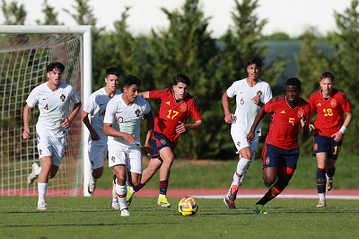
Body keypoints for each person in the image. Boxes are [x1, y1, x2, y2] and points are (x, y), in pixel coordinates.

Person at [127, 74, 203, 208]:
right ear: (174, 87)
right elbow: (142, 95)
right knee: (169, 158)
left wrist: (188, 126)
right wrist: (140, 109)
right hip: (158, 133)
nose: (182, 91)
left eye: (185, 89)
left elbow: (200, 124)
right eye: (180, 88)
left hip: (171, 139)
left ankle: (130, 191)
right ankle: (162, 196)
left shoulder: (190, 102)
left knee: (151, 169)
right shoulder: (165, 93)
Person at [23, 62, 82, 210]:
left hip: (60, 134)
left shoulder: (68, 89)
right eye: (54, 73)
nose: (57, 76)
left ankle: (36, 171)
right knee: (47, 165)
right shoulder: (39, 90)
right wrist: (25, 128)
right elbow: (27, 108)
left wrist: (70, 119)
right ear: (48, 74)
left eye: (59, 73)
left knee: (51, 173)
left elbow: (78, 104)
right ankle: (41, 202)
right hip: (43, 131)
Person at [247, 77, 311, 214]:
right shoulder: (276, 102)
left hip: (292, 149)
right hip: (273, 145)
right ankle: (266, 171)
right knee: (270, 179)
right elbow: (263, 110)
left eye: (293, 92)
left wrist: (304, 126)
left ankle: (260, 204)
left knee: (283, 181)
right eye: (288, 91)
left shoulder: (305, 107)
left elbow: (304, 133)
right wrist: (252, 130)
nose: (290, 94)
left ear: (299, 91)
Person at [222, 56, 272, 209]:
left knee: (245, 163)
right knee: (247, 156)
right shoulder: (238, 85)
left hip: (255, 131)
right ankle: (234, 186)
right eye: (251, 68)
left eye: (256, 68)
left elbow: (270, 110)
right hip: (238, 127)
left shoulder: (265, 87)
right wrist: (227, 113)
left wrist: (261, 103)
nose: (253, 71)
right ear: (247, 69)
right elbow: (225, 96)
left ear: (260, 70)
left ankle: (230, 196)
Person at [103, 75, 154, 217]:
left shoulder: (142, 104)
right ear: (125, 90)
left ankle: (117, 182)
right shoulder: (114, 103)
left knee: (135, 182)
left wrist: (147, 141)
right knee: (121, 175)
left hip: (134, 146)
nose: (136, 94)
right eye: (133, 91)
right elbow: (106, 129)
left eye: (138, 91)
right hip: (116, 144)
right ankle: (123, 207)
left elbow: (151, 119)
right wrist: (123, 135)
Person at [308, 72, 353, 208]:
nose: (327, 87)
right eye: (324, 84)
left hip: (335, 135)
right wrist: (309, 122)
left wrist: (341, 131)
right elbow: (308, 112)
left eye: (329, 84)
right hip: (320, 133)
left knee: (330, 166)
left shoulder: (340, 96)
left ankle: (330, 176)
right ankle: (322, 199)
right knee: (321, 163)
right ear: (320, 84)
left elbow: (349, 115)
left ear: (333, 84)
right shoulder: (314, 97)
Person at [81, 67, 122, 209]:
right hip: (97, 139)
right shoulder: (96, 96)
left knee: (119, 169)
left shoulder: (121, 97)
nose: (114, 83)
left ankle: (115, 201)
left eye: (116, 80)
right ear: (106, 80)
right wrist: (92, 131)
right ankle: (93, 178)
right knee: (98, 172)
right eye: (111, 80)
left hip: (114, 139)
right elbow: (84, 116)